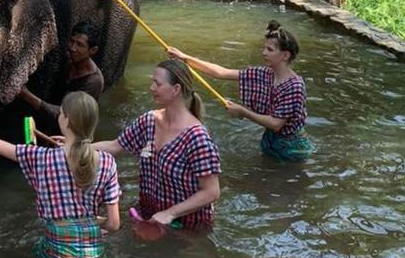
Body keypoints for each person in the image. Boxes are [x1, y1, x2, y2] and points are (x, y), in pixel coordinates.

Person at [0, 86, 120, 258]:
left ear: (66, 120)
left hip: (58, 256)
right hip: (94, 256)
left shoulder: (42, 157)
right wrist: (86, 222)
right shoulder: (108, 162)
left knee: (38, 250)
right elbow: (113, 224)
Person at [94, 60, 221, 232]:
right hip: (149, 216)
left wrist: (170, 213)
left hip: (186, 226)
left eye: (158, 83)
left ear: (176, 89)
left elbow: (211, 192)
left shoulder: (197, 138)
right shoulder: (149, 121)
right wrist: (76, 146)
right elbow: (115, 146)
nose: (151, 88)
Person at [167, 20, 314, 161]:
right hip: (270, 140)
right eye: (264, 48)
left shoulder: (294, 87)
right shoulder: (265, 74)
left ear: (285, 55)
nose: (264, 53)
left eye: (269, 49)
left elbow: (276, 124)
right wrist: (185, 58)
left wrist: (243, 112)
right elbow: (221, 72)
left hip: (292, 149)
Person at [19, 21, 105, 123]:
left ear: (93, 50)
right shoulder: (69, 60)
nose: (72, 48)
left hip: (68, 130)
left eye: (80, 45)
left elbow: (67, 115)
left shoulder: (94, 82)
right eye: (72, 41)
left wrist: (26, 95)